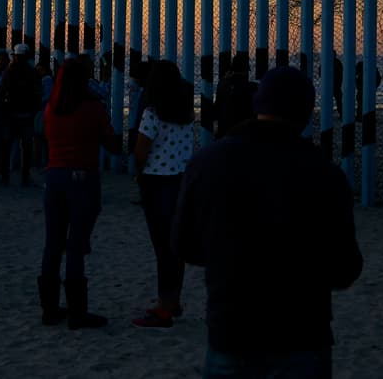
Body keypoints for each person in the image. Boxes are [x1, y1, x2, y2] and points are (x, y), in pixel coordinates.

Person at [173, 66, 363, 376]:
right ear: (305, 113)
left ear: (258, 106)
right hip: (303, 333)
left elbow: (184, 245)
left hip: (232, 328)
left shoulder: (207, 163)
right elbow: (345, 269)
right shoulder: (326, 174)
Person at [38, 59, 121, 329]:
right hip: (83, 178)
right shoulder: (91, 109)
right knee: (75, 246)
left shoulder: (51, 108)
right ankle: (77, 313)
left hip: (53, 178)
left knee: (53, 243)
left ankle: (49, 310)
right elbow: (111, 143)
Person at [131, 60, 196, 329]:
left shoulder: (153, 113)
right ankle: (174, 300)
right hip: (181, 181)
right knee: (175, 246)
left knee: (162, 247)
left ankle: (164, 307)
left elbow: (140, 150)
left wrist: (138, 172)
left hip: (157, 183)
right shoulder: (186, 114)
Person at [0, 44, 41, 187]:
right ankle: (25, 176)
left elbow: (1, 93)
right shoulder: (32, 72)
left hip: (10, 115)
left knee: (6, 146)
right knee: (26, 147)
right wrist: (34, 111)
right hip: (27, 116)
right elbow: (37, 94)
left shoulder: (8, 73)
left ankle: (5, 176)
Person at [213, 51, 255, 139]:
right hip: (244, 135)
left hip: (224, 133)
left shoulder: (222, 84)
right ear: (246, 71)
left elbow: (216, 111)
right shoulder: (251, 87)